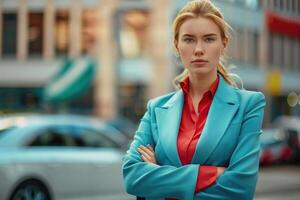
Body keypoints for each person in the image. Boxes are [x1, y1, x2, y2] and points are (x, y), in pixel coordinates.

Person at [122, 0, 266, 199]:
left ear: (223, 44)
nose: (198, 49)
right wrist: (210, 174)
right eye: (189, 39)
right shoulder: (156, 108)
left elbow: (240, 189)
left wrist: (159, 180)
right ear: (177, 45)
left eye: (208, 39)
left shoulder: (249, 105)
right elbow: (132, 176)